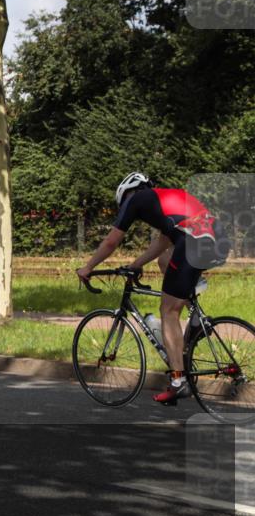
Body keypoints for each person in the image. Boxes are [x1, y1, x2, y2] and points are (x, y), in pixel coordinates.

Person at [76, 172, 225, 405]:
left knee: (168, 311)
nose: (126, 207)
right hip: (218, 239)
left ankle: (178, 381)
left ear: (129, 192)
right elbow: (163, 243)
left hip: (192, 243)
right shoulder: (166, 200)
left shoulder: (136, 199)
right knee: (164, 260)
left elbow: (111, 241)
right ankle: (195, 317)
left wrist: (88, 267)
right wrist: (135, 265)